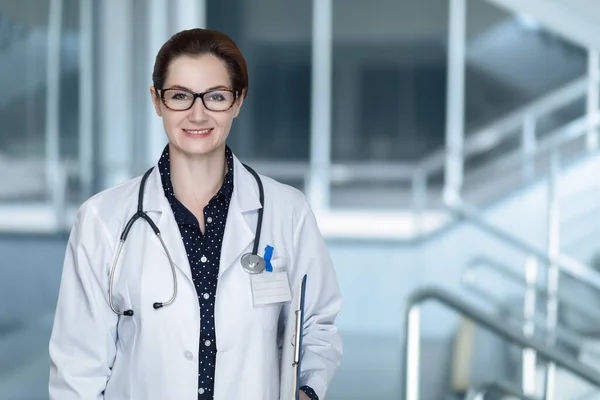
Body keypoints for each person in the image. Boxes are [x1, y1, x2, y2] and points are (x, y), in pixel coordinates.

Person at [48, 28, 342, 400]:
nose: (197, 113)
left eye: (216, 96)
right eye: (180, 96)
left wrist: (307, 392)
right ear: (157, 101)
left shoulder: (288, 212)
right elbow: (77, 369)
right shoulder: (101, 221)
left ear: (238, 102)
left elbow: (318, 324)